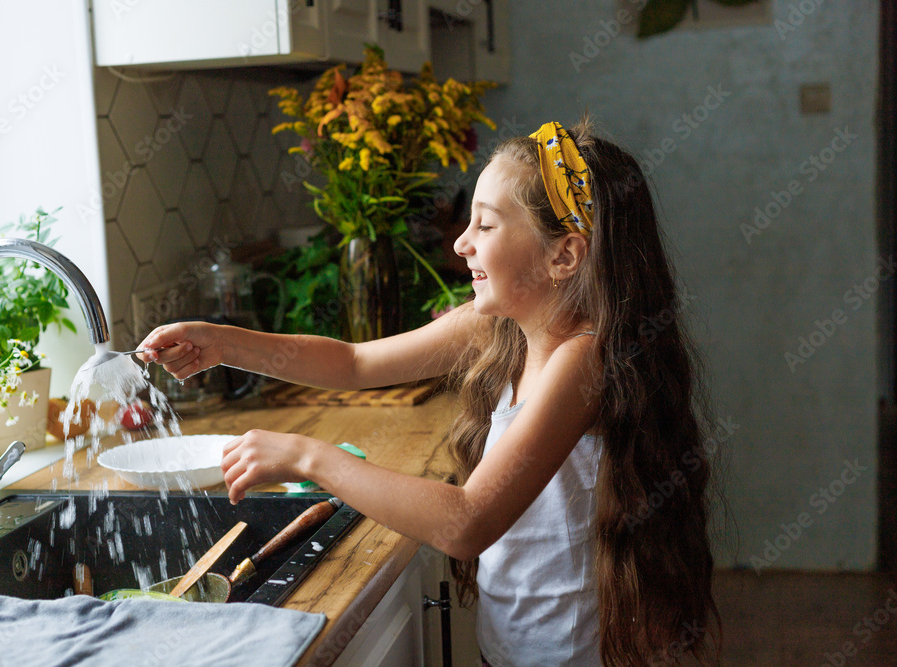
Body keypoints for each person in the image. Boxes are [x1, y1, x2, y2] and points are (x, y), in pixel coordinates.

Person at [138, 116, 721, 666]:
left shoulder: (582, 360)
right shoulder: (502, 327)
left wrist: (308, 456)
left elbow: (466, 523)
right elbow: (355, 362)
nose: (461, 244)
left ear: (562, 255)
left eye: (486, 226)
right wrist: (223, 342)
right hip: (516, 647)